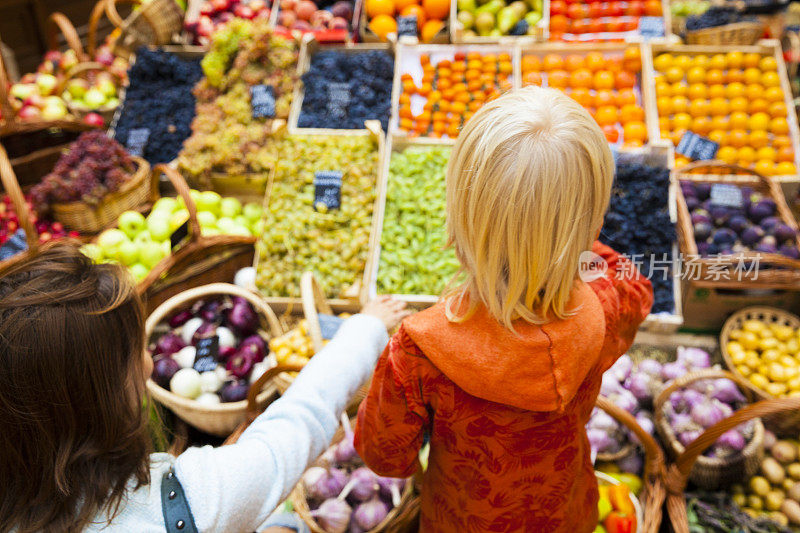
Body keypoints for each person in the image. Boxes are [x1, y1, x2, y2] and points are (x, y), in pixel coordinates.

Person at [354, 86, 654, 532]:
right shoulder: (608, 304)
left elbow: (385, 456)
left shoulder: (416, 351)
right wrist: (559, 242)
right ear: (593, 219)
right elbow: (634, 282)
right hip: (565, 509)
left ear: (459, 217)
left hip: (462, 518)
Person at [0, 243, 410, 533]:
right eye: (134, 352)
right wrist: (368, 327)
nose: (147, 365)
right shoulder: (191, 502)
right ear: (100, 399)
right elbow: (298, 422)